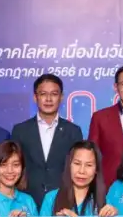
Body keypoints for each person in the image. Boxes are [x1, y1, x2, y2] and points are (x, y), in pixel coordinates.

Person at [11, 74, 84, 208]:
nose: (48, 99)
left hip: (62, 200)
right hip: (27, 200)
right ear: (35, 97)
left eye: (54, 94)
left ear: (61, 97)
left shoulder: (73, 131)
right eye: (43, 94)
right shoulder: (20, 130)